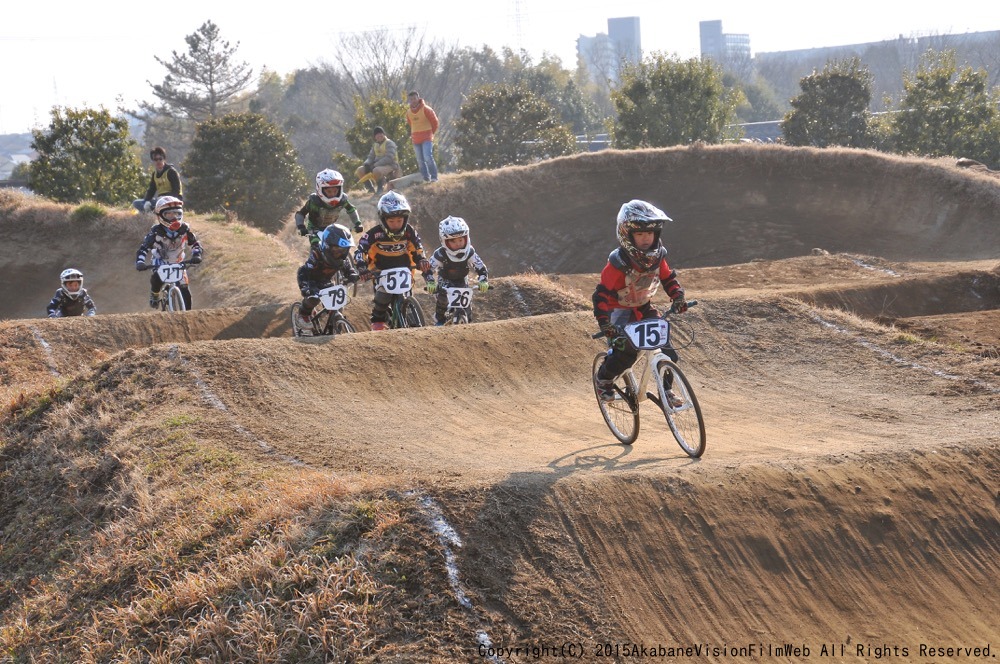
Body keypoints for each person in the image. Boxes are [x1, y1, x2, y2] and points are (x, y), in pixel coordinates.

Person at [592, 200, 690, 405]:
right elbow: (600, 295)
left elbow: (668, 278)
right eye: (640, 234)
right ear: (627, 235)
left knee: (668, 352)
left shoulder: (658, 257)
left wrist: (678, 297)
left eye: (650, 233)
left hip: (643, 308)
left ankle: (667, 391)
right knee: (626, 353)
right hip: (617, 311)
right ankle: (604, 379)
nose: (646, 238)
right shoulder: (617, 264)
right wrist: (605, 324)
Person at [354, 191, 431, 331]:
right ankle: (377, 321)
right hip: (380, 271)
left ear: (405, 219)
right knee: (383, 298)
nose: (396, 224)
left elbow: (418, 248)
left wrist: (422, 260)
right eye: (391, 221)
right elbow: (360, 251)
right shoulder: (373, 234)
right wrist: (361, 268)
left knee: (408, 297)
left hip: (404, 269)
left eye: (399, 221)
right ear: (383, 220)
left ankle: (412, 320)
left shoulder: (409, 231)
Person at [135, 196, 204, 310]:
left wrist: (197, 254)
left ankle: (189, 315)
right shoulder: (156, 232)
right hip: (160, 261)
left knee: (185, 289)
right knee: (157, 279)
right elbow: (143, 248)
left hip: (178, 262)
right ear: (160, 216)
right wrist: (140, 261)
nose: (174, 217)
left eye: (177, 213)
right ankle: (155, 293)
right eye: (169, 214)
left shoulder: (185, 229)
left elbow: (195, 244)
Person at [294, 223, 361, 333]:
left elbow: (349, 269)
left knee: (337, 306)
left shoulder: (342, 259)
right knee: (313, 299)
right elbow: (303, 271)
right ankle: (303, 315)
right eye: (336, 250)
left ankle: (333, 328)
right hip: (312, 282)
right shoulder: (317, 254)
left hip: (326, 282)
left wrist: (352, 275)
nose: (340, 253)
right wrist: (305, 287)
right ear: (327, 246)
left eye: (343, 250)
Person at [425, 216, 489, 325]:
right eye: (453, 241)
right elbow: (428, 270)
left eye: (461, 239)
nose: (458, 243)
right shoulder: (439, 254)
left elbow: (481, 268)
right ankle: (439, 320)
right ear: (444, 241)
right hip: (445, 281)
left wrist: (483, 280)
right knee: (443, 300)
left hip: (462, 281)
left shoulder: (470, 252)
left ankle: (466, 324)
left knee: (467, 309)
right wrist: (430, 282)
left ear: (467, 238)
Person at [295, 169, 363, 246]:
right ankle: (313, 257)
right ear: (320, 189)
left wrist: (358, 223)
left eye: (335, 191)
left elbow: (351, 209)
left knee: (342, 245)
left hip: (331, 229)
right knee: (316, 246)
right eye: (329, 191)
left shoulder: (342, 200)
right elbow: (300, 214)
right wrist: (301, 227)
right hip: (314, 230)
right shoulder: (314, 202)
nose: (332, 194)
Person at [133, 146, 183, 213]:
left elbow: (176, 190)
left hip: (172, 200)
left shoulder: (171, 172)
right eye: (155, 159)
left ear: (164, 159)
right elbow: (151, 190)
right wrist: (147, 201)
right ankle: (151, 210)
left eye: (160, 159)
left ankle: (152, 211)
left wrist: (164, 198)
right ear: (153, 161)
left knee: (156, 204)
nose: (158, 161)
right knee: (136, 203)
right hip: (160, 200)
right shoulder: (155, 174)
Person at [354, 127, 402, 194]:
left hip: (391, 165)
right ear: (375, 137)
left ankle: (380, 187)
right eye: (377, 134)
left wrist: (375, 165)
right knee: (360, 170)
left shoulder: (389, 143)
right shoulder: (375, 145)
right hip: (377, 165)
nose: (379, 135)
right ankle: (370, 189)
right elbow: (371, 157)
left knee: (376, 170)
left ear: (384, 134)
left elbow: (389, 158)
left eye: (380, 133)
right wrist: (367, 164)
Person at [406, 90, 439, 183]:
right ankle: (425, 177)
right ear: (409, 100)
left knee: (428, 157)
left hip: (427, 137)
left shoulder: (426, 109)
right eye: (411, 99)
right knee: (420, 160)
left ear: (418, 98)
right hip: (416, 139)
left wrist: (431, 133)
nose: (413, 100)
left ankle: (434, 177)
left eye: (414, 98)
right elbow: (410, 123)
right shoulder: (408, 112)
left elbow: (435, 122)